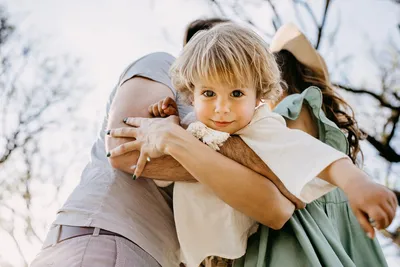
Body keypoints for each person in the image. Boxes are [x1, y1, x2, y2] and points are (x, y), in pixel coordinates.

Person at [106, 21, 397, 267]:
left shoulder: (262, 128)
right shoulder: (191, 126)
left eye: (235, 93)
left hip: (261, 247)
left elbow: (308, 154)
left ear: (259, 97)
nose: (222, 108)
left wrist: (358, 183)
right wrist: (169, 121)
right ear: (190, 95)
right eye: (208, 93)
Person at [28, 18, 300, 267]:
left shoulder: (238, 124)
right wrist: (245, 168)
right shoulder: (161, 66)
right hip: (110, 237)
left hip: (153, 255)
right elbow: (127, 152)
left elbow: (275, 207)